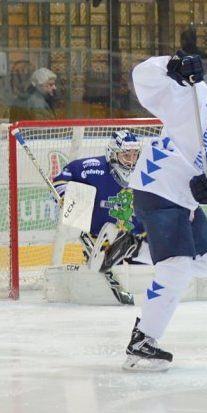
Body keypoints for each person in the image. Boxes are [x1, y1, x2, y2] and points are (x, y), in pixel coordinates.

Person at [123, 51, 207, 371]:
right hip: (158, 184)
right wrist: (170, 64)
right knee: (177, 266)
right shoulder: (195, 94)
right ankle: (143, 341)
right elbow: (144, 80)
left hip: (183, 201)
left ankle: (136, 248)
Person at [51, 130, 147, 305]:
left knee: (146, 282)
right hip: (102, 242)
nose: (132, 161)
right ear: (112, 154)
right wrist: (66, 195)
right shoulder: (93, 168)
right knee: (101, 292)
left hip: (138, 241)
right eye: (126, 155)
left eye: (135, 155)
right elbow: (61, 179)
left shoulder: (147, 171)